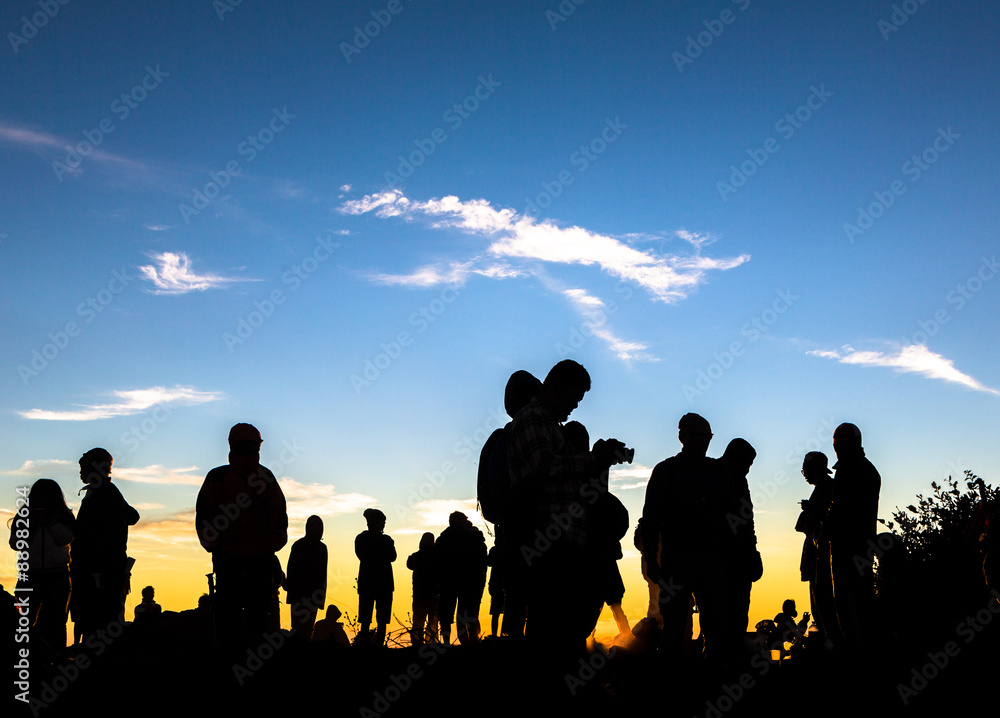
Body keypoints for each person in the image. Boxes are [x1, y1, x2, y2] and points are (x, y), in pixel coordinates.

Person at [506, 359, 628, 653]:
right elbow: (543, 467)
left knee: (565, 634)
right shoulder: (532, 419)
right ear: (558, 386)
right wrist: (593, 459)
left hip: (566, 544)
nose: (575, 405)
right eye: (575, 396)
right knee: (551, 636)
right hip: (549, 546)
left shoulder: (550, 426)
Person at [640, 414, 735, 665]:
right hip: (677, 561)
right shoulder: (666, 471)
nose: (703, 441)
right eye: (697, 435)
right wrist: (651, 557)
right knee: (674, 625)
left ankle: (710, 678)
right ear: (682, 438)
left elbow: (734, 517)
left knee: (716, 624)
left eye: (707, 436)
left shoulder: (718, 471)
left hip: (711, 560)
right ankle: (673, 680)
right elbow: (650, 518)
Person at [196, 423, 288, 649]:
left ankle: (247, 660)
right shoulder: (219, 478)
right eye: (247, 446)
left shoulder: (264, 477)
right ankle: (235, 660)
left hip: (253, 558)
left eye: (254, 447)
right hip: (233, 558)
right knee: (233, 612)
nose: (251, 451)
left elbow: (279, 516)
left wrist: (271, 545)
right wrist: (214, 544)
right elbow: (204, 514)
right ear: (234, 446)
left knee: (255, 612)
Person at [477, 369, 542, 638]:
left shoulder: (501, 438)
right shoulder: (515, 437)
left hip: (509, 532)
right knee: (529, 600)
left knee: (516, 599)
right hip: (525, 531)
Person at [72, 448, 140, 642]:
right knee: (99, 625)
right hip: (101, 570)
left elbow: (129, 518)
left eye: (83, 467)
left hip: (101, 572)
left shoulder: (105, 493)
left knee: (101, 625)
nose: (80, 472)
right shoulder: (102, 492)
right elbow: (132, 516)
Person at [826, 422, 881, 648]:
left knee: (849, 606)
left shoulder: (849, 470)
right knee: (861, 603)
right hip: (862, 548)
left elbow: (841, 511)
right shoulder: (867, 469)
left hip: (847, 549)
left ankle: (854, 656)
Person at [8, 478, 75, 662]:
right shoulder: (25, 516)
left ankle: (58, 657)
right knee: (23, 620)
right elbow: (15, 543)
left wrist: (50, 522)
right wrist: (32, 524)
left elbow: (66, 538)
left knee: (57, 620)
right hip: (31, 575)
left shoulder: (64, 516)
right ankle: (23, 658)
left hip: (58, 574)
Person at [720, 438, 764, 655]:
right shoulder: (716, 475)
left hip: (740, 557)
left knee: (737, 613)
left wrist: (752, 551)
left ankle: (732, 655)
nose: (747, 469)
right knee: (721, 614)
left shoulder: (740, 480)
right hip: (721, 558)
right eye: (746, 463)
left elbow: (747, 520)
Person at [795, 451, 836, 643]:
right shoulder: (823, 486)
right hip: (817, 554)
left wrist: (810, 510)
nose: (804, 473)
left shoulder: (826, 487)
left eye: (806, 469)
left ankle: (829, 644)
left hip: (821, 555)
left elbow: (825, 520)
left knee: (823, 603)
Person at [435, 512, 487, 645]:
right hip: (465, 582)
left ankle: (446, 642)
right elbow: (476, 561)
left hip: (447, 582)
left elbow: (437, 561)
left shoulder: (443, 538)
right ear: (459, 522)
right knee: (463, 614)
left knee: (446, 615)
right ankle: (467, 641)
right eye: (464, 521)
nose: (465, 523)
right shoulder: (468, 537)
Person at [355, 508, 395, 646]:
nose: (383, 524)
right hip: (370, 584)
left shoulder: (385, 539)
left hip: (381, 584)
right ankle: (366, 645)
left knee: (381, 618)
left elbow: (392, 556)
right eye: (381, 522)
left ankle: (378, 645)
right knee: (366, 618)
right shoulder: (364, 538)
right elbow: (364, 555)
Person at [285, 515, 328, 640]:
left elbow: (322, 575)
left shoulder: (322, 548)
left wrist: (320, 597)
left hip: (313, 596)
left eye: (318, 526)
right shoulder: (298, 545)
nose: (316, 529)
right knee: (297, 628)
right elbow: (291, 569)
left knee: (308, 628)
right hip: (298, 595)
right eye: (314, 525)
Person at [406, 531, 438, 645]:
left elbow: (409, 564)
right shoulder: (437, 556)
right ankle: (432, 641)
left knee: (418, 621)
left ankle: (416, 642)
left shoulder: (416, 556)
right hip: (433, 593)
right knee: (433, 620)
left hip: (419, 593)